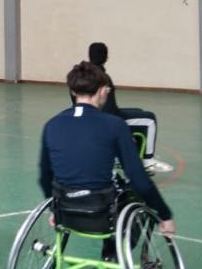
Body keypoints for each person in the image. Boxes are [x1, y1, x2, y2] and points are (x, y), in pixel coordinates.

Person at [40, 61, 174, 239]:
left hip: (65, 210)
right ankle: (113, 256)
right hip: (101, 212)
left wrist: (54, 209)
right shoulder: (115, 125)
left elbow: (44, 177)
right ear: (103, 90)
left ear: (73, 91)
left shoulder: (52, 124)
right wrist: (165, 214)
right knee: (137, 195)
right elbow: (138, 178)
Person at [84, 42, 160, 169]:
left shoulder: (85, 75)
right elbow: (109, 109)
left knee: (138, 111)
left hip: (92, 116)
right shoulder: (103, 78)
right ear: (106, 57)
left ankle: (130, 155)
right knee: (149, 119)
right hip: (107, 119)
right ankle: (148, 160)